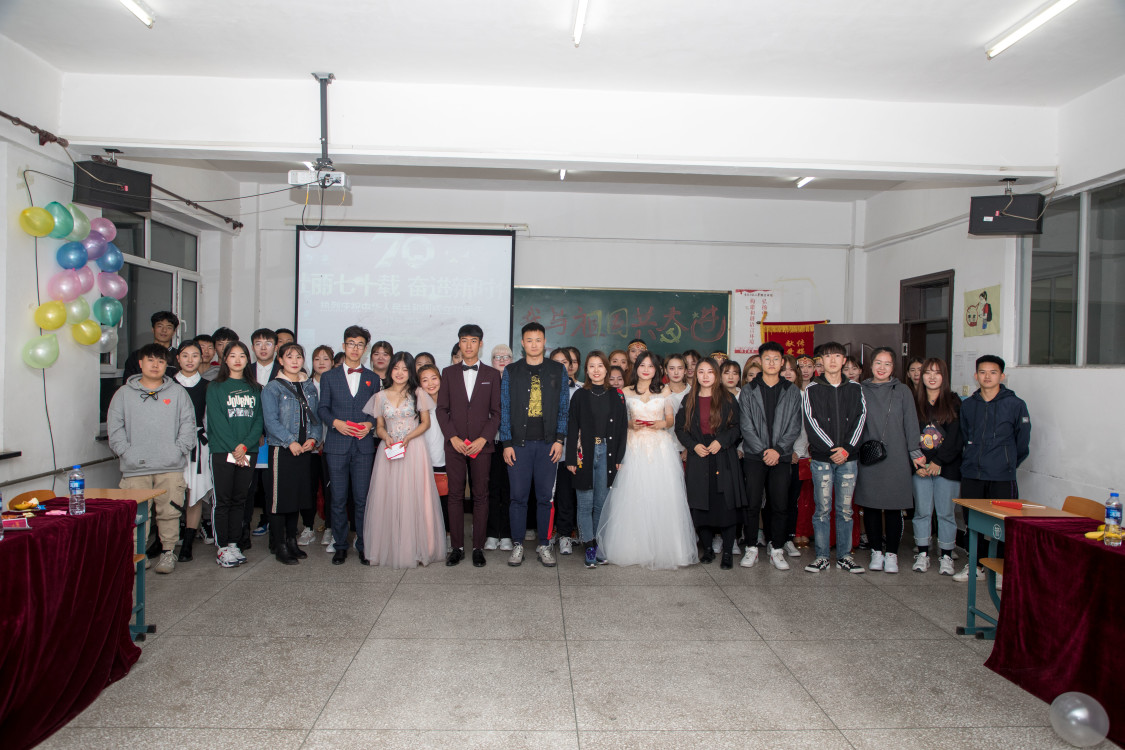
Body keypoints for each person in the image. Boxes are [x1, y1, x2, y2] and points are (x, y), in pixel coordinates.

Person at [598, 351, 695, 569]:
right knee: (633, 495)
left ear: (657, 370)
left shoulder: (664, 390)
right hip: (633, 446)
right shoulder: (625, 391)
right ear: (636, 367)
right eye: (642, 365)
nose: (646, 370)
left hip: (659, 447)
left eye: (651, 366)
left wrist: (659, 424)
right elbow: (618, 421)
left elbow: (670, 419)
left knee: (661, 496)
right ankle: (634, 547)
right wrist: (631, 425)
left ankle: (664, 548)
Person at [107, 343, 196, 574]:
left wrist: (178, 450)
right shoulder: (123, 394)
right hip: (135, 467)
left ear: (167, 365)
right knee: (137, 515)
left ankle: (168, 552)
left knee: (170, 512)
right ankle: (138, 554)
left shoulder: (177, 393)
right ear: (140, 363)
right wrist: (126, 452)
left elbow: (188, 425)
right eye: (150, 360)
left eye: (161, 361)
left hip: (170, 466)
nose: (155, 365)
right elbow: (115, 428)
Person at [362, 352, 446, 568]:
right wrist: (386, 437)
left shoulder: (418, 393)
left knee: (415, 496)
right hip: (389, 449)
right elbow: (379, 426)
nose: (400, 373)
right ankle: (389, 548)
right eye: (396, 368)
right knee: (389, 497)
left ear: (411, 372)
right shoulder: (380, 396)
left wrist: (408, 437)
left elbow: (425, 423)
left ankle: (419, 548)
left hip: (414, 448)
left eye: (405, 369)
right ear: (391, 370)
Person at [953, 354, 1031, 582]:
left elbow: (1022, 443)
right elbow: (965, 435)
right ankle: (975, 565)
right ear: (976, 376)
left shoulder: (1015, 405)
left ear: (1002, 376)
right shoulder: (968, 405)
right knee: (972, 522)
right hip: (972, 473)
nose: (987, 376)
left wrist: (1006, 463)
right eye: (983, 372)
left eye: (993, 372)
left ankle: (1001, 571)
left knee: (1004, 524)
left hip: (1001, 476)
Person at [498, 322, 570, 568]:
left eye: (538, 340)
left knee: (544, 498)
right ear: (522, 343)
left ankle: (544, 544)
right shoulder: (511, 371)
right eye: (529, 340)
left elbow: (563, 408)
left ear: (544, 342)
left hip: (548, 444)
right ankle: (518, 544)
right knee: (517, 497)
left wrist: (559, 439)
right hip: (518, 445)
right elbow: (505, 408)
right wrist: (506, 443)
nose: (534, 344)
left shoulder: (557, 370)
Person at [436, 324, 502, 568]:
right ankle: (457, 548)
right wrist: (452, 437)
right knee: (454, 495)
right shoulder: (448, 372)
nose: (468, 345)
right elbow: (442, 409)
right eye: (464, 340)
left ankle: (477, 548)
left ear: (480, 344)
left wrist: (483, 439)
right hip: (454, 445)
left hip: (480, 446)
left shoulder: (492, 375)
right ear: (459, 343)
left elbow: (496, 412)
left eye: (473, 341)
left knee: (480, 495)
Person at [857, 348, 926, 574]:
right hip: (868, 456)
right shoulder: (860, 389)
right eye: (878, 362)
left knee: (894, 506)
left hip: (896, 455)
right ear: (871, 364)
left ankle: (892, 554)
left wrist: (914, 452)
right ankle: (876, 551)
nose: (882, 368)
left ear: (893, 368)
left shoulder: (902, 390)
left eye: (887, 364)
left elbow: (911, 423)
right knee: (871, 505)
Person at [801, 341, 867, 574]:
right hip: (822, 459)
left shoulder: (855, 389)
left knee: (845, 509)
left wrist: (846, 449)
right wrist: (832, 449)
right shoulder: (812, 389)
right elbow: (811, 422)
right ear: (821, 361)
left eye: (837, 356)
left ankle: (844, 556)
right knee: (822, 509)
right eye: (827, 356)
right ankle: (821, 556)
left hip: (849, 459)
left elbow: (861, 419)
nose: (832, 360)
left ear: (844, 360)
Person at [317, 326, 381, 565]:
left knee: (362, 499)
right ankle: (340, 545)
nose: (355, 348)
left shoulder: (373, 378)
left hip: (363, 447)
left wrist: (370, 424)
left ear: (365, 349)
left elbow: (377, 410)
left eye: (360, 344)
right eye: (351, 344)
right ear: (344, 346)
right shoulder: (329, 377)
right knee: (338, 498)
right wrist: (336, 423)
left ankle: (363, 546)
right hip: (336, 445)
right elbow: (322, 408)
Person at [738, 342, 803, 571]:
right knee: (752, 503)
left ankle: (776, 549)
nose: (772, 363)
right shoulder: (749, 390)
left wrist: (778, 450)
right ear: (760, 361)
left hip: (781, 457)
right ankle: (751, 548)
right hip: (755, 457)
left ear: (782, 362)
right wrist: (763, 451)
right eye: (767, 359)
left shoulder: (792, 391)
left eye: (776, 359)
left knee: (779, 504)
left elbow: (795, 426)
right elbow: (746, 425)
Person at [675, 357, 743, 569]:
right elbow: (680, 429)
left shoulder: (728, 398)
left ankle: (727, 553)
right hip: (699, 455)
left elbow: (737, 427)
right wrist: (693, 446)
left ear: (717, 374)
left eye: (710, 372)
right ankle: (708, 549)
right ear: (695, 375)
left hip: (723, 456)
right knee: (700, 504)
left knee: (725, 505)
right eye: (701, 372)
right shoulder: (689, 399)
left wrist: (721, 441)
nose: (705, 376)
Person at [262, 343, 322, 565]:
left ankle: (291, 541)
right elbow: (271, 421)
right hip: (282, 450)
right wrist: (290, 442)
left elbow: (316, 418)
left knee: (297, 498)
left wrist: (313, 439)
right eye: (289, 357)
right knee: (280, 500)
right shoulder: (272, 388)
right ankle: (279, 545)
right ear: (280, 360)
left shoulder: (308, 386)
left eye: (298, 357)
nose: (295, 361)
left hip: (304, 450)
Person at [567, 351, 628, 568]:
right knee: (585, 503)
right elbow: (572, 427)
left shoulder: (617, 395)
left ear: (606, 369)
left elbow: (622, 428)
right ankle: (589, 546)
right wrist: (571, 458)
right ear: (586, 370)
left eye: (600, 366)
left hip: (607, 454)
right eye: (591, 366)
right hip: (584, 454)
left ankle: (598, 543)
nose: (596, 370)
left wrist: (620, 456)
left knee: (601, 504)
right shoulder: (579, 395)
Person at [205, 341, 263, 568]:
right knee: (223, 500)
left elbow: (258, 420)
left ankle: (233, 544)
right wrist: (234, 447)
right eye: (232, 355)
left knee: (240, 500)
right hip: (222, 451)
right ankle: (221, 548)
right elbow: (217, 421)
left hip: (248, 451)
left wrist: (244, 446)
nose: (237, 360)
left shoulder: (256, 388)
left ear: (248, 359)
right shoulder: (215, 387)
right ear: (225, 359)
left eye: (242, 355)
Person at [912, 358, 962, 575]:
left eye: (937, 372)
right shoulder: (913, 402)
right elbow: (907, 433)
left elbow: (957, 437)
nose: (932, 377)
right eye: (927, 372)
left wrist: (938, 461)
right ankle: (922, 553)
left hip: (947, 468)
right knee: (922, 512)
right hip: (920, 467)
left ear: (944, 376)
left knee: (946, 513)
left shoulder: (954, 402)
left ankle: (946, 555)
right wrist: (917, 461)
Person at [173, 341, 212, 563]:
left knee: (193, 494)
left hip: (199, 445)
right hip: (171, 446)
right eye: (185, 355)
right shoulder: (168, 384)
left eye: (195, 355)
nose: (190, 360)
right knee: (170, 492)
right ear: (178, 358)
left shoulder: (207, 386)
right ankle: (165, 541)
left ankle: (187, 543)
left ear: (201, 358)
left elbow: (210, 419)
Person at [247, 328, 281, 539]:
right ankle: (243, 528)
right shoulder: (244, 370)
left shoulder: (283, 370)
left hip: (276, 438)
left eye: (268, 343)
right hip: (249, 438)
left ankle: (270, 523)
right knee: (248, 485)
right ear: (252, 347)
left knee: (272, 485)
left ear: (276, 347)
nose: (263, 347)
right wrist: (256, 432)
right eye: (258, 343)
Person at [484, 343, 515, 551]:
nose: (502, 360)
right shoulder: (485, 381)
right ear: (491, 361)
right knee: (491, 490)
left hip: (512, 444)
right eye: (497, 357)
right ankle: (491, 533)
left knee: (510, 490)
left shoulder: (517, 382)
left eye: (506, 357)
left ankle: (507, 534)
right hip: (490, 444)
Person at [303, 345, 335, 546]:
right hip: (308, 446)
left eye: (326, 359)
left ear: (332, 362)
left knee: (331, 489)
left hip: (331, 445)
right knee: (308, 488)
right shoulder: (304, 386)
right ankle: (307, 527)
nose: (321, 362)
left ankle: (330, 528)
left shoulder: (337, 383)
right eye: (317, 359)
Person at [777, 354, 809, 553]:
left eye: (791, 369)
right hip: (775, 456)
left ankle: (789, 537)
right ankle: (774, 539)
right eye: (783, 370)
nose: (787, 373)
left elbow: (804, 429)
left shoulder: (803, 395)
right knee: (775, 501)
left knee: (792, 500)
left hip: (796, 457)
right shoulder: (773, 393)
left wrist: (796, 451)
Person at [550, 347, 581, 554]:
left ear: (570, 365)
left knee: (566, 495)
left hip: (569, 450)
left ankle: (565, 534)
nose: (561, 366)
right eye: (556, 362)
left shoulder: (580, 389)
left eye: (565, 362)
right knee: (547, 495)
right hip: (546, 448)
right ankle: (547, 533)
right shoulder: (542, 387)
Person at [418, 363, 449, 544]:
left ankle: (447, 535)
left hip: (446, 458)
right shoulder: (418, 406)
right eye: (425, 380)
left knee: (445, 499)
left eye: (434, 378)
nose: (430, 383)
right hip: (424, 459)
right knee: (426, 500)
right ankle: (428, 537)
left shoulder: (449, 402)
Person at [122, 311, 180, 379]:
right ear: (153, 329)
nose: (164, 330)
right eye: (160, 326)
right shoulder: (137, 355)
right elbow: (129, 380)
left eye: (169, 327)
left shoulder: (179, 357)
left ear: (174, 332)